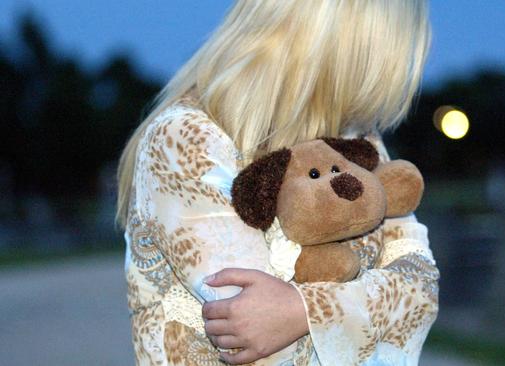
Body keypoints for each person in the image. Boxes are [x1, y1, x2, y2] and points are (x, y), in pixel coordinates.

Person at [116, 1, 439, 365]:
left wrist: (304, 310)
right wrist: (368, 305)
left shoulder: (355, 137)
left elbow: (423, 287)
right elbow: (256, 337)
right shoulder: (183, 139)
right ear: (346, 53)